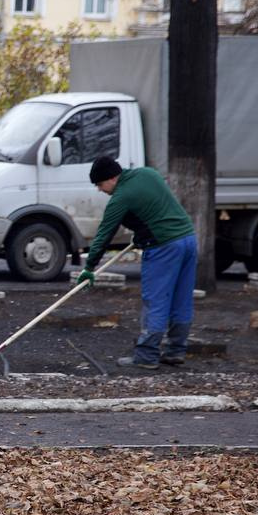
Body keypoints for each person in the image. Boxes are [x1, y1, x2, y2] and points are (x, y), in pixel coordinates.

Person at [77, 155, 197, 369]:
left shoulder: (121, 197)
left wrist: (89, 267)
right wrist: (142, 231)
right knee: (181, 298)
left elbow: (104, 235)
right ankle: (176, 350)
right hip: (188, 239)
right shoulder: (148, 173)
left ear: (112, 178)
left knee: (156, 300)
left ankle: (147, 355)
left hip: (164, 246)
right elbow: (154, 207)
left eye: (99, 184)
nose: (99, 189)